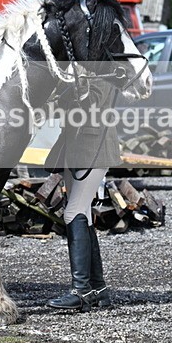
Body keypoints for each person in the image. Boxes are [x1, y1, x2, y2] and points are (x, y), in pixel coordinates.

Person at [44, 75, 120, 312]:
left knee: (73, 212)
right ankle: (97, 289)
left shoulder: (103, 72)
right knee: (83, 214)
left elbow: (91, 103)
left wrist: (70, 86)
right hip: (75, 147)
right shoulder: (84, 69)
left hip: (93, 149)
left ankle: (81, 291)